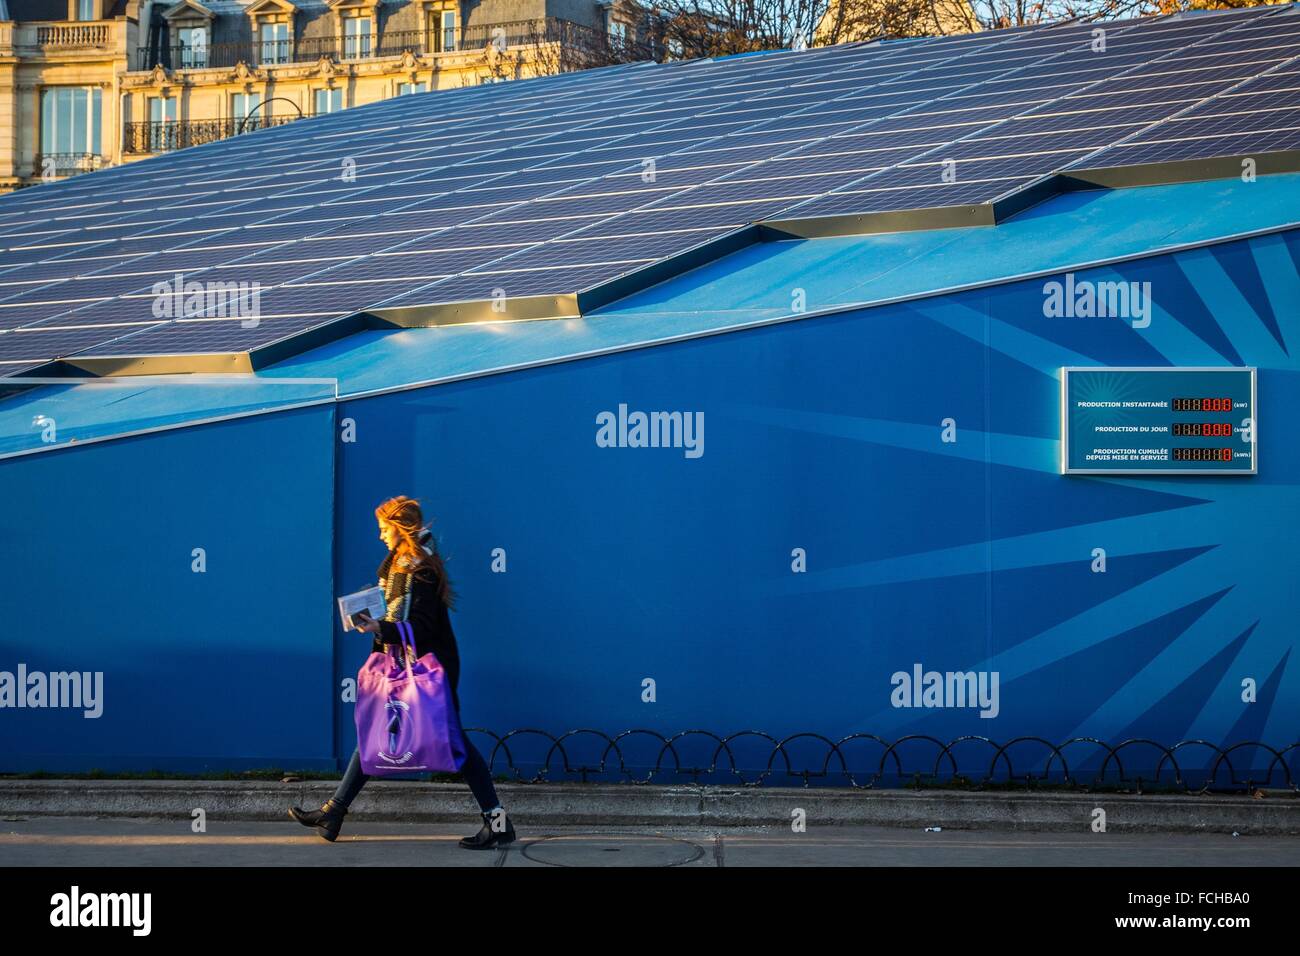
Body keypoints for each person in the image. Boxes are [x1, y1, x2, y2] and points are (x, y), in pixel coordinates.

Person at [288, 495, 516, 849]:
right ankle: (334, 811)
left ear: (400, 528)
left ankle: (497, 821)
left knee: (460, 748)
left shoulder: (420, 570)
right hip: (400, 666)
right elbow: (394, 608)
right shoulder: (398, 565)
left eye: (383, 529)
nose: (379, 536)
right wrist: (369, 615)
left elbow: (422, 626)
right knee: (373, 732)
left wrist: (380, 628)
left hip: (427, 673)